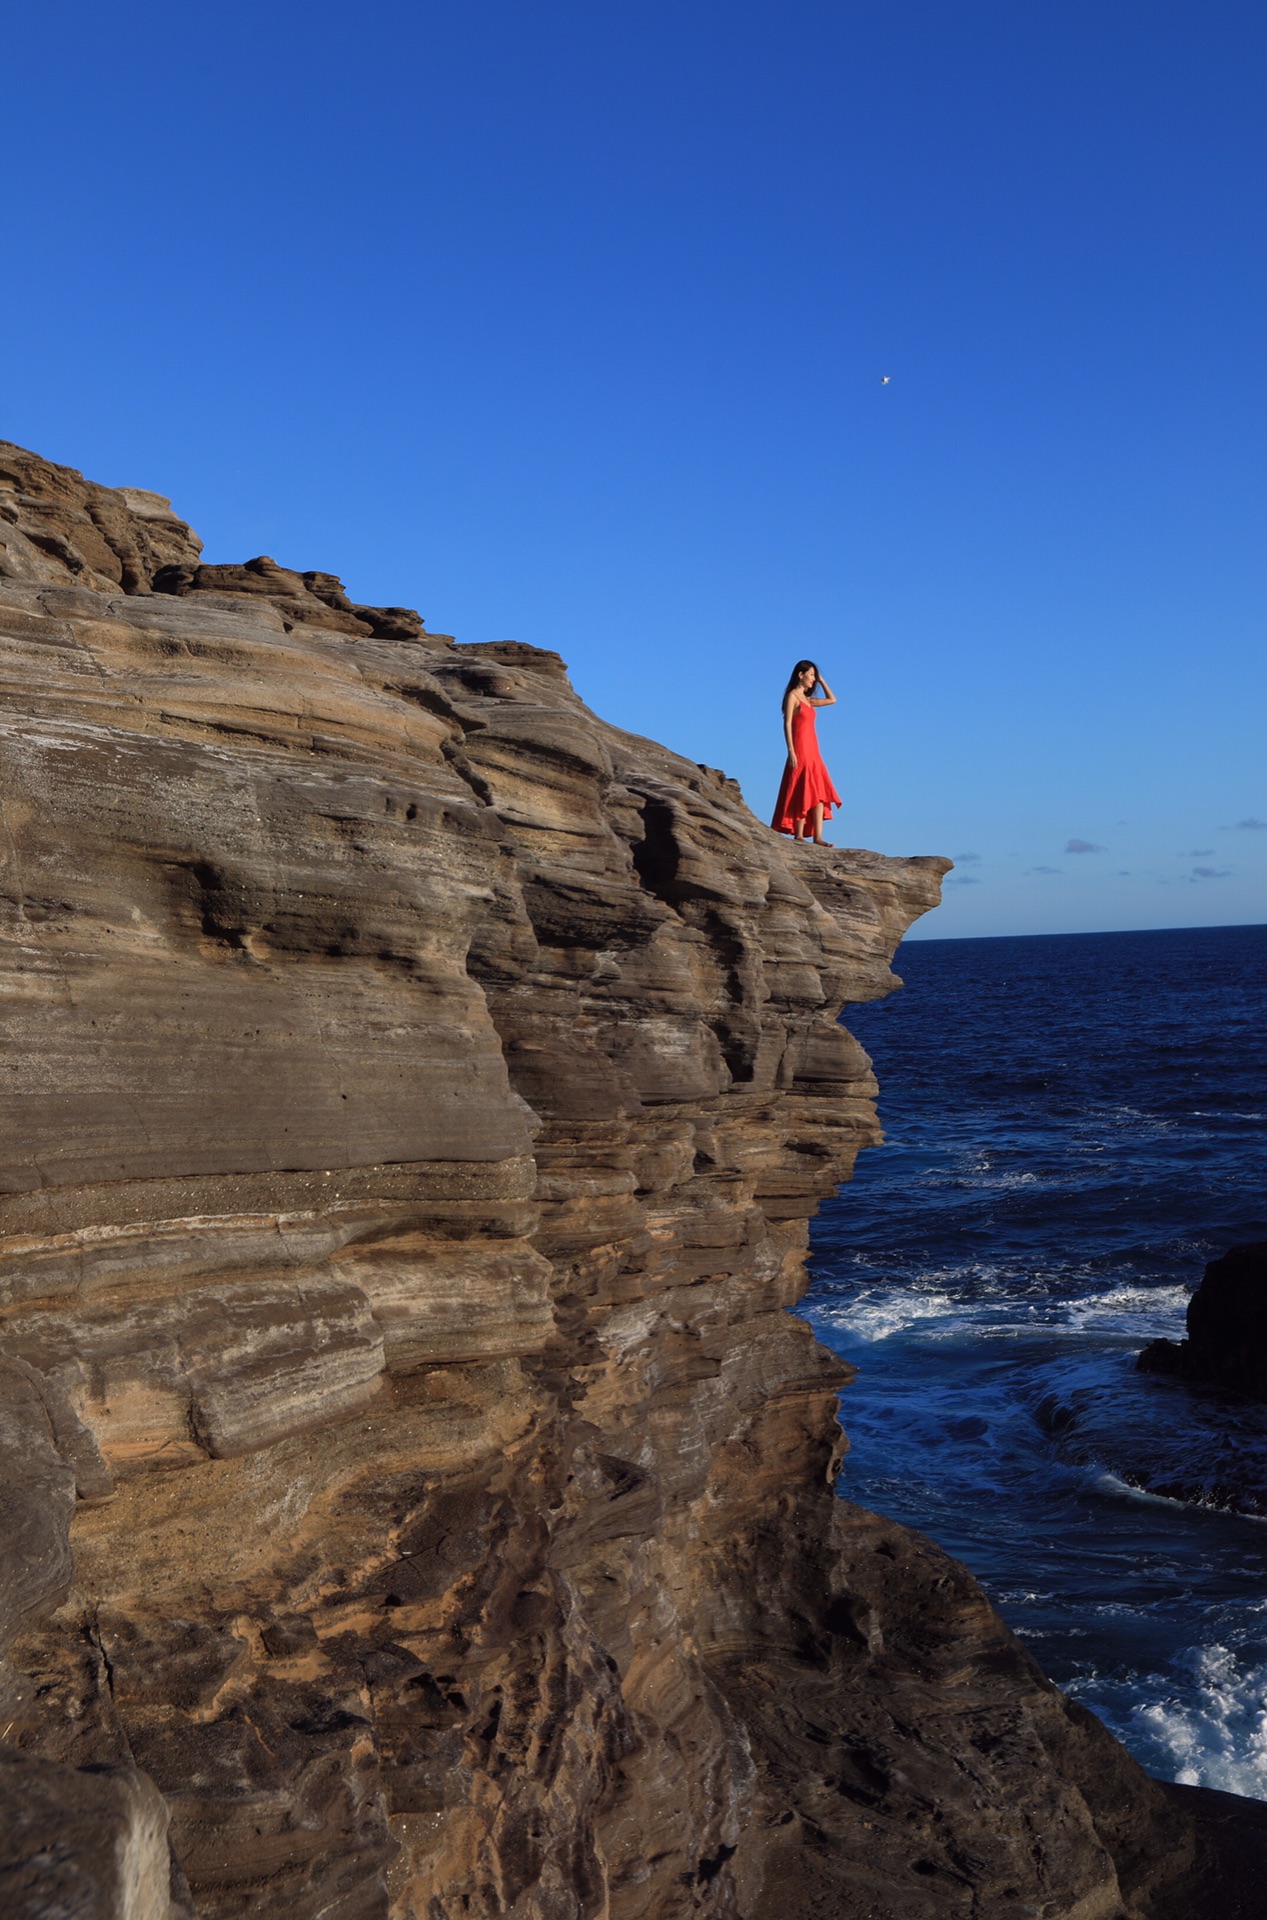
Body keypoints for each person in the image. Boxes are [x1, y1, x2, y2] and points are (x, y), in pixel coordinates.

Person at [771, 660, 841, 844]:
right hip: (800, 749)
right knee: (802, 789)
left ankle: (818, 837)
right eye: (811, 675)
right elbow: (786, 725)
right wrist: (791, 751)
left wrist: (822, 680)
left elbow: (832, 700)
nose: (813, 680)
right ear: (800, 675)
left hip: (814, 750)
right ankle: (799, 834)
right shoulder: (792, 697)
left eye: (814, 676)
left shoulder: (808, 700)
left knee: (818, 792)